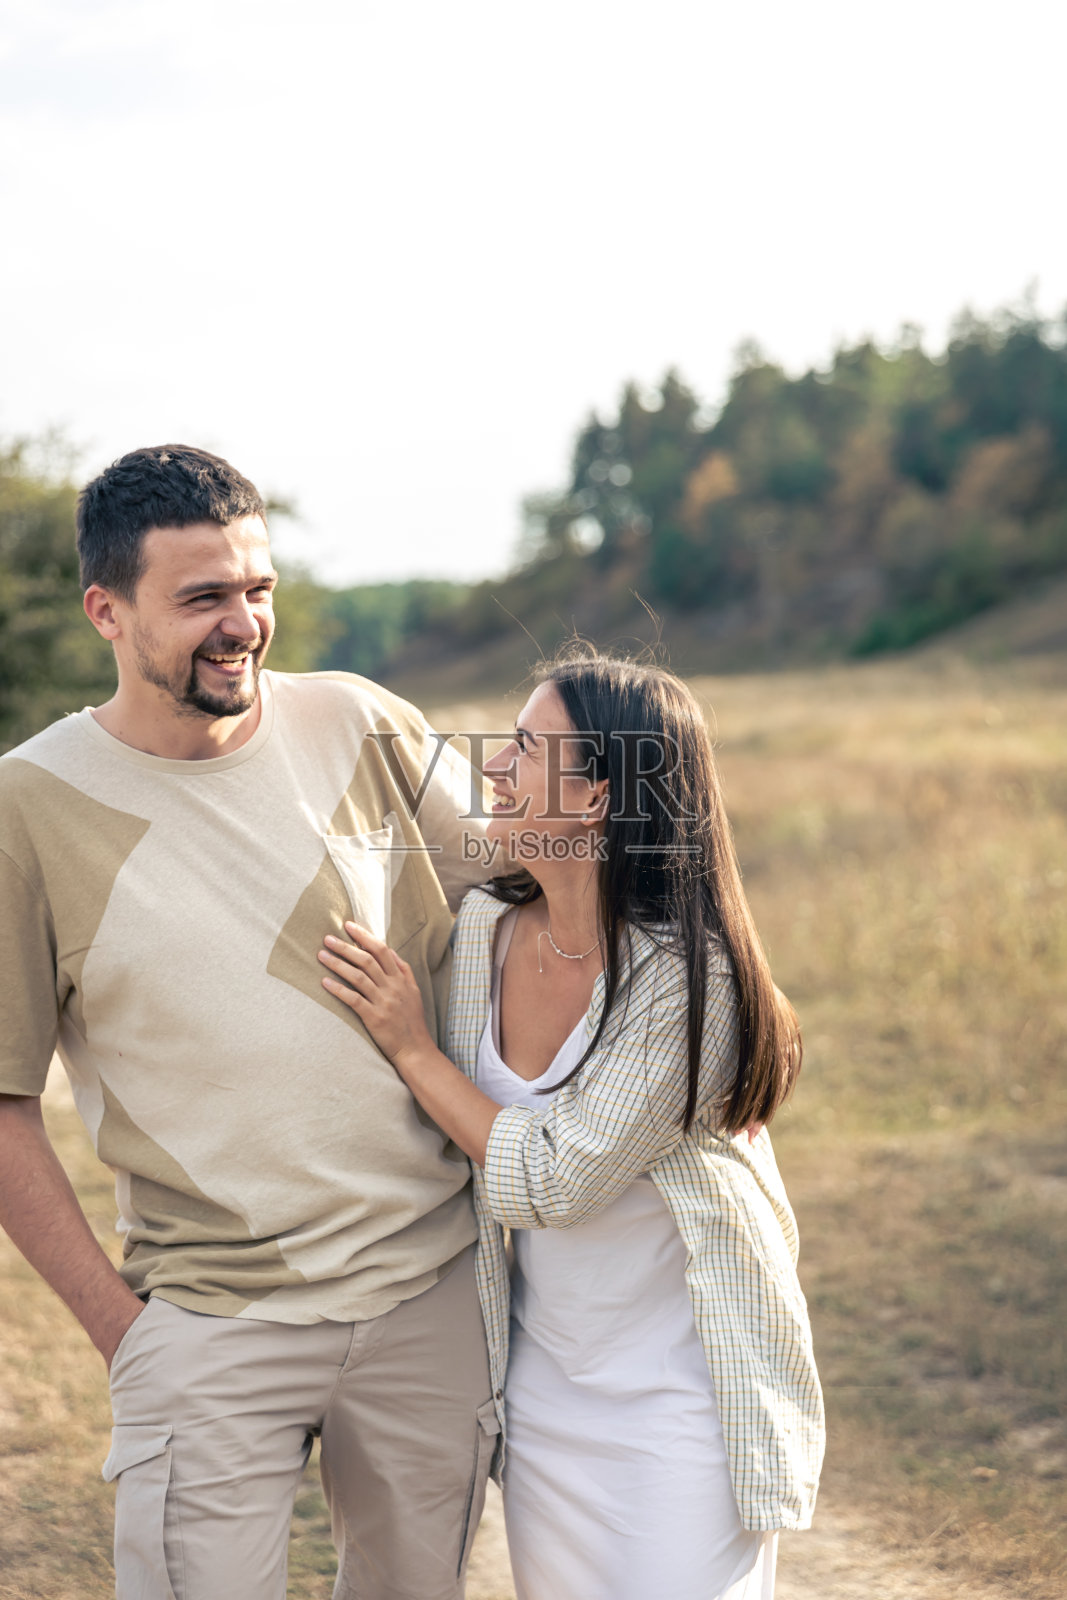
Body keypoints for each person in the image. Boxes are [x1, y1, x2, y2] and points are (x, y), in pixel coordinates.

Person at [0, 444, 498, 1600]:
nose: (241, 624)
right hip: (208, 1321)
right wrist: (124, 1334)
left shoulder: (362, 725)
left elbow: (535, 915)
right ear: (106, 612)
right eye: (202, 598)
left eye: (256, 589)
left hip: (426, 1293)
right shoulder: (27, 805)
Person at [317, 654, 826, 1600]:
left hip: (683, 1405)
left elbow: (551, 1182)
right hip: (546, 1394)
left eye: (522, 748)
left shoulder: (687, 982)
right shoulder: (482, 932)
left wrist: (412, 1046)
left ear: (595, 796)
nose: (495, 770)